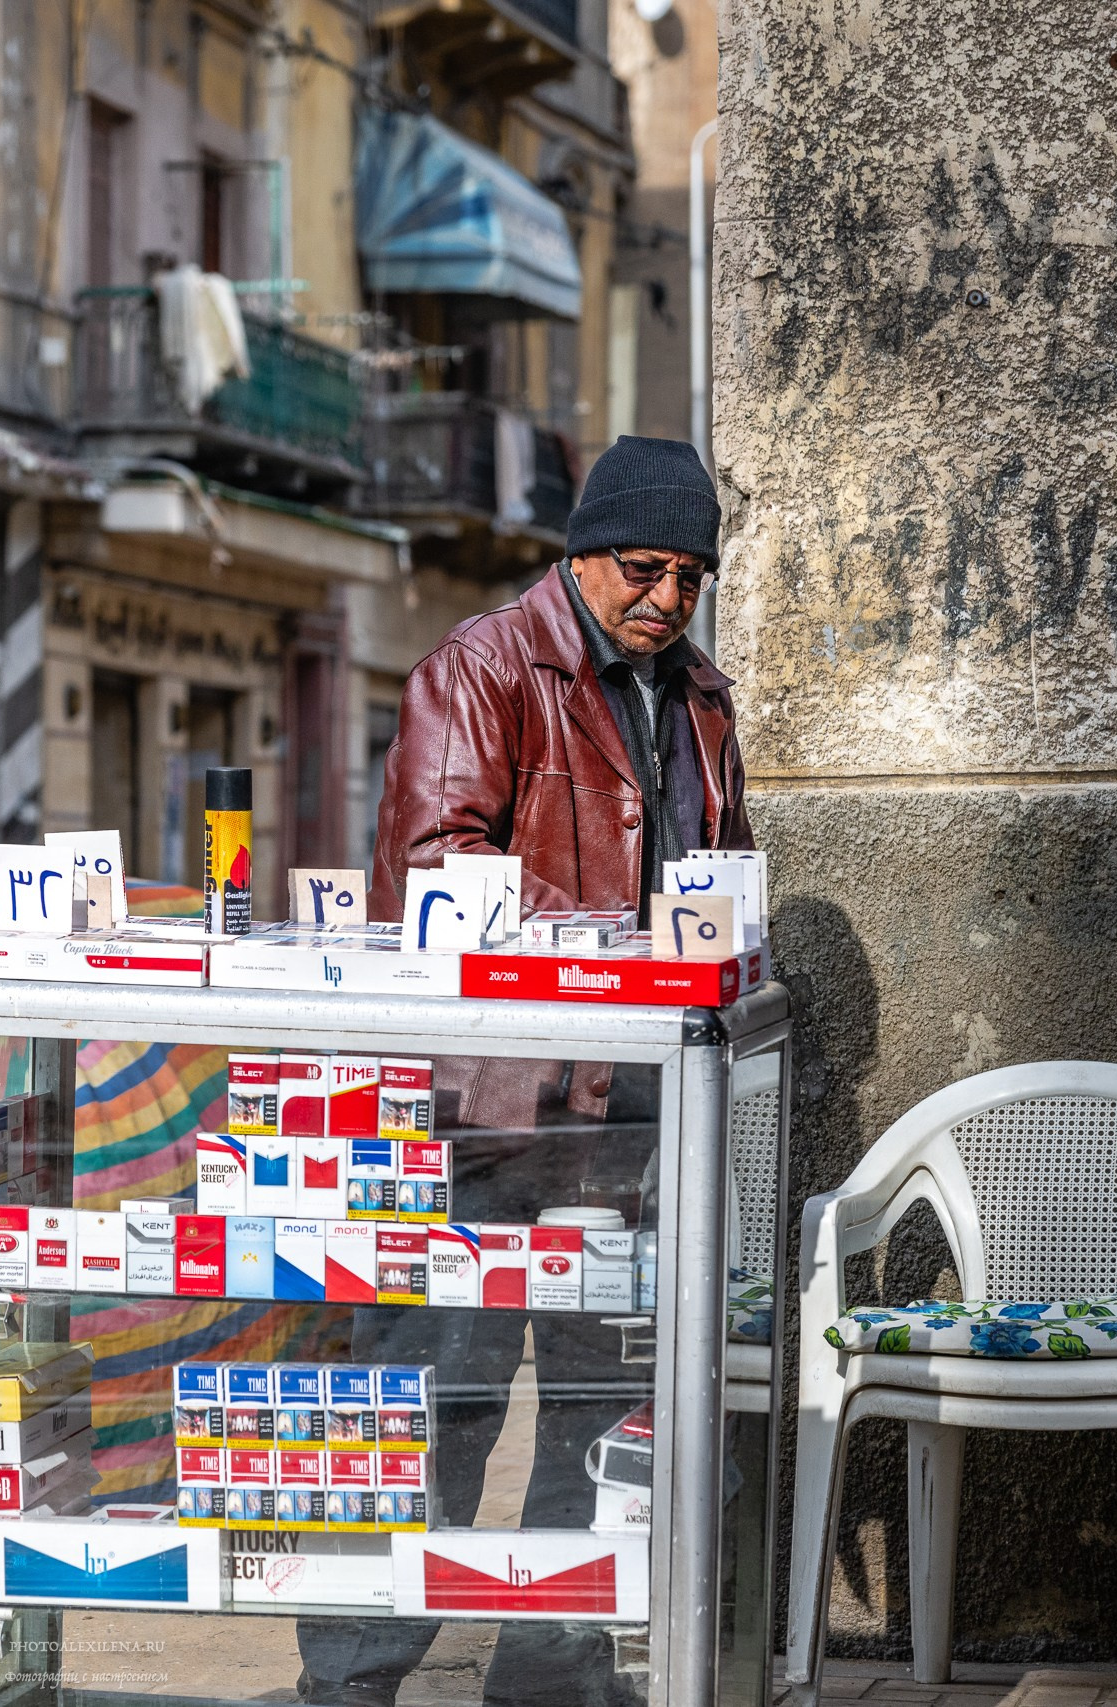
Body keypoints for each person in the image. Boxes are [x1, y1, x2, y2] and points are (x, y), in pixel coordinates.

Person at [296, 438, 755, 1707]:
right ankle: (353, 1681)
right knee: (435, 1396)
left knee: (593, 1406)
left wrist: (730, 944)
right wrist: (623, 939)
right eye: (643, 568)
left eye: (690, 576)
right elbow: (432, 864)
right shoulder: (484, 666)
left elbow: (722, 877)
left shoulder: (700, 698)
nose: (665, 597)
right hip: (484, 1110)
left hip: (632, 1109)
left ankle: (542, 1682)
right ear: (585, 551)